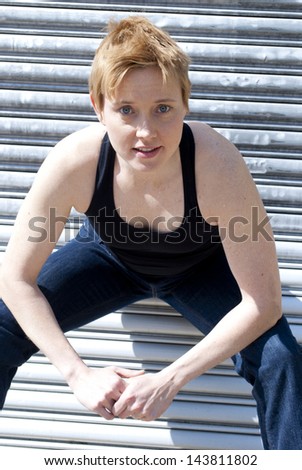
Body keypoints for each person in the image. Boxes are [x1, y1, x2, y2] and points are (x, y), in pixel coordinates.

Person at [0, 16, 301, 450]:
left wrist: (169, 379)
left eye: (163, 108)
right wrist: (77, 374)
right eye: (126, 110)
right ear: (97, 107)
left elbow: (263, 303)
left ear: (185, 103)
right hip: (108, 259)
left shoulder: (218, 166)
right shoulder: (73, 163)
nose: (146, 132)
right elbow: (15, 279)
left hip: (198, 265)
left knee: (282, 360)